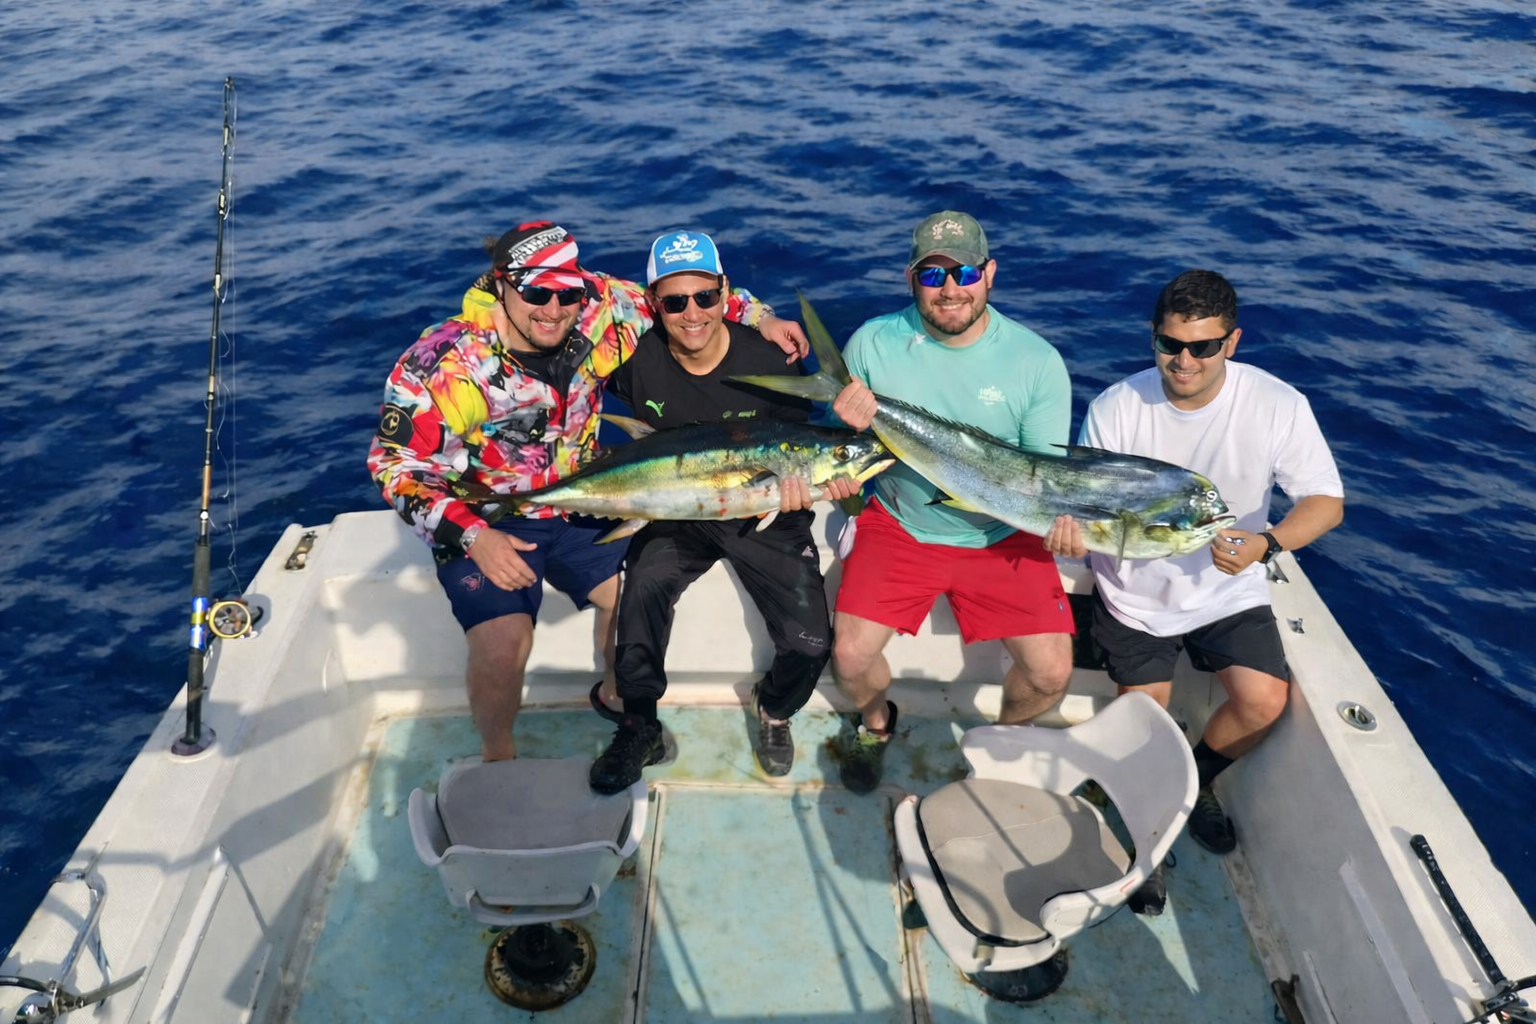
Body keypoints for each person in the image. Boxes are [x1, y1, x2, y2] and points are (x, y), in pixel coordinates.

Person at [367, 221, 807, 762]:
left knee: (631, 601)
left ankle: (618, 700)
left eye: (566, 293)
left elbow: (693, 296)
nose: (553, 309)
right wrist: (475, 537)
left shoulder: (602, 305)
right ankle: (497, 754)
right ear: (502, 284)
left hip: (586, 495)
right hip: (487, 515)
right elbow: (393, 465)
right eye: (535, 293)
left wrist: (765, 319)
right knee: (504, 645)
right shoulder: (445, 365)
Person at [1044, 268, 1344, 875]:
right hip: (1135, 598)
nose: (1183, 360)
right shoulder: (1116, 407)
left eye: (1202, 347)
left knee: (1263, 703)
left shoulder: (1278, 404)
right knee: (1144, 727)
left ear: (1231, 342)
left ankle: (1195, 783)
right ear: (1152, 337)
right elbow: (1083, 510)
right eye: (1169, 344)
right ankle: (1134, 814)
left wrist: (1267, 543)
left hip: (1228, 591)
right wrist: (1070, 539)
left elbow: (1325, 502)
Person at [587, 230, 860, 793]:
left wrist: (814, 487)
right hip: (676, 511)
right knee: (643, 587)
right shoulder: (635, 358)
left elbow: (809, 450)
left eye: (705, 298)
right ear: (653, 304)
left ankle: (774, 708)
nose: (692, 314)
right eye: (675, 301)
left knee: (811, 642)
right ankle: (639, 724)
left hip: (766, 513)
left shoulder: (773, 358)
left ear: (723, 293)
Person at [829, 210, 1077, 794]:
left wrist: (1059, 525)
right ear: (910, 279)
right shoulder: (870, 342)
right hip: (900, 524)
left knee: (1051, 673)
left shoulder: (1036, 361)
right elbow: (848, 450)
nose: (950, 290)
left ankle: (998, 741)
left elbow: (1040, 475)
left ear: (989, 273)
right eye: (932, 275)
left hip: (1002, 533)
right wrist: (845, 435)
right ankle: (875, 723)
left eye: (964, 272)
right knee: (849, 659)